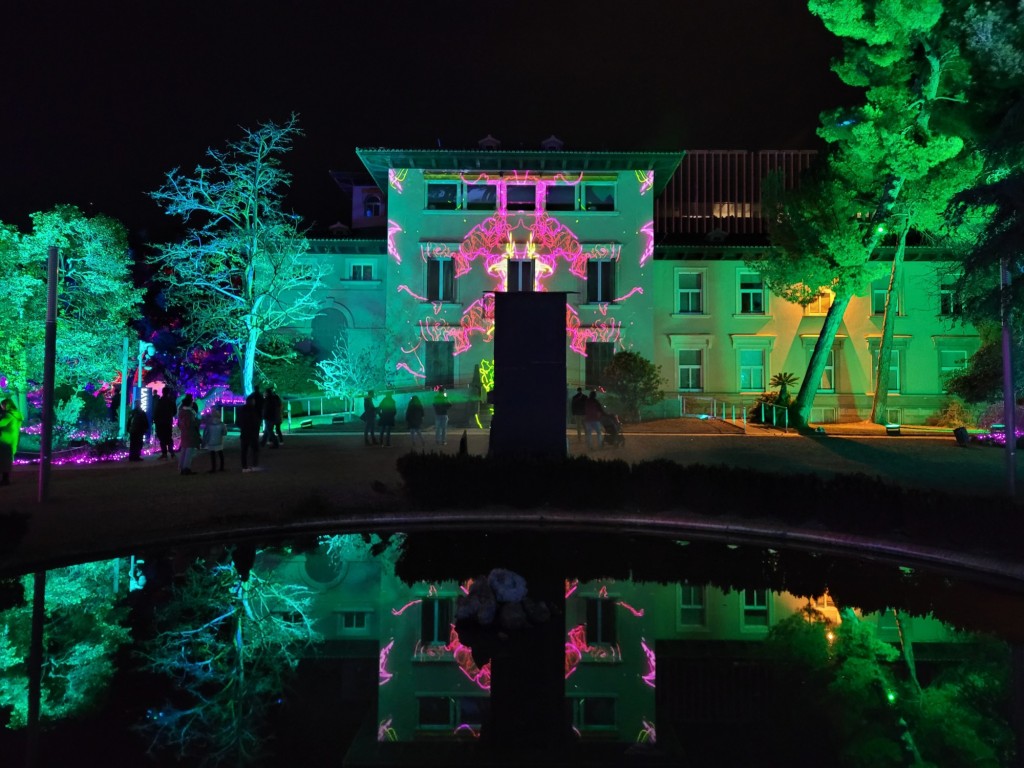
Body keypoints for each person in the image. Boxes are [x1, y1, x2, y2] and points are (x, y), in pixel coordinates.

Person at [0, 398, 24, 486]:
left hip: (3, 441)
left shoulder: (8, 415)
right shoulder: (17, 415)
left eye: (3, 405)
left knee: (3, 461)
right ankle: (5, 479)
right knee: (7, 461)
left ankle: (5, 480)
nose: (2, 407)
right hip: (12, 440)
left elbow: (1, 424)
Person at [176, 394, 200, 475]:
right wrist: (197, 421)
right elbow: (191, 424)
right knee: (189, 452)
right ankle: (186, 468)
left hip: (184, 433)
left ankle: (181, 467)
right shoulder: (189, 413)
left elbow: (179, 424)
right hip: (190, 434)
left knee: (184, 450)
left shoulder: (181, 412)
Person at [239, 392, 263, 472]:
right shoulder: (254, 410)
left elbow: (237, 422)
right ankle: (254, 465)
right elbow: (257, 421)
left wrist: (242, 427)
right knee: (255, 449)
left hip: (245, 433)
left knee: (244, 451)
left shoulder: (242, 410)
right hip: (253, 433)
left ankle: (244, 467)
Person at [153, 387, 177, 459]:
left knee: (162, 437)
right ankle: (171, 451)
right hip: (168, 421)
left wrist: (156, 420)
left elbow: (156, 411)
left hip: (160, 422)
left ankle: (164, 453)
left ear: (162, 392)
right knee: (168, 437)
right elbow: (174, 411)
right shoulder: (171, 401)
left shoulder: (160, 401)